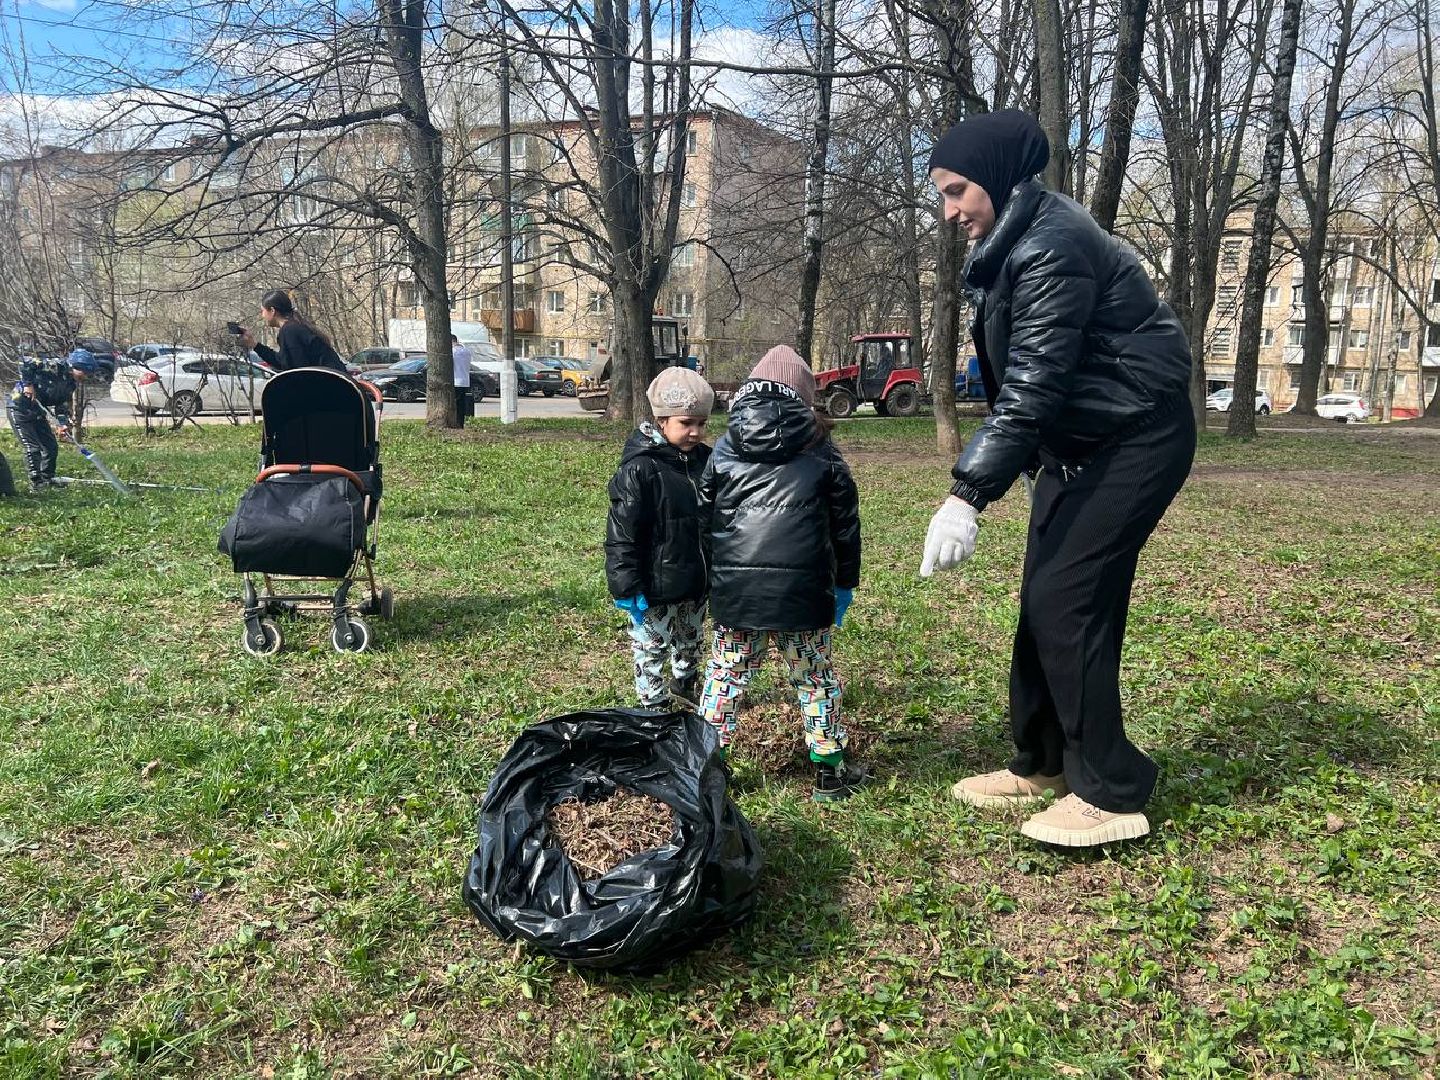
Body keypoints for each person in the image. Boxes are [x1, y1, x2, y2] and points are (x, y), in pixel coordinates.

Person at [920, 110, 1195, 847]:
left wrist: (966, 494)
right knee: (1045, 596)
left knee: (1068, 599)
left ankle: (1110, 791)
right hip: (1083, 443)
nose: (949, 213)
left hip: (1137, 437)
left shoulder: (1052, 243)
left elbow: (1034, 388)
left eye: (955, 192)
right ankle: (1043, 764)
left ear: (997, 178)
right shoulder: (1016, 236)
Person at [695, 346, 864, 802]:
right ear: (804, 394)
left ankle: (709, 770)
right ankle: (829, 769)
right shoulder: (820, 446)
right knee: (814, 677)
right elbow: (846, 525)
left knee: (725, 675)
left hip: (738, 594)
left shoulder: (727, 444)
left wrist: (717, 577)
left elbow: (704, 518)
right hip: (804, 593)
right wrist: (845, 582)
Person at [606, 367, 716, 710]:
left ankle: (685, 683)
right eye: (686, 423)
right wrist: (626, 586)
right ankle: (653, 708)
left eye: (701, 423)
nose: (695, 432)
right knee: (651, 647)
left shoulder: (708, 462)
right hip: (655, 586)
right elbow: (623, 532)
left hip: (696, 580)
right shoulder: (640, 469)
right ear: (661, 420)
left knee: (691, 640)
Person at [7, 354, 88, 491]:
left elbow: (61, 405)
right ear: (75, 366)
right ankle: (36, 483)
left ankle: (47, 479)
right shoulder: (56, 366)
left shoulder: (70, 384)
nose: (85, 377)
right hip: (19, 408)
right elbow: (24, 362)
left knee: (50, 447)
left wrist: (62, 423)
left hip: (38, 412)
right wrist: (28, 385)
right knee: (32, 448)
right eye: (84, 372)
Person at [239, 289, 347, 373]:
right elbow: (282, 361)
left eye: (262, 311)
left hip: (331, 387)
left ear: (272, 311)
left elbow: (297, 371)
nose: (262, 315)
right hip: (334, 383)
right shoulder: (294, 327)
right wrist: (254, 344)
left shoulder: (289, 331)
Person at [452, 334, 473, 428]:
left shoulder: (453, 352)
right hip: (465, 380)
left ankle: (456, 423)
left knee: (455, 405)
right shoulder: (467, 351)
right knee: (462, 405)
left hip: (455, 381)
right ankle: (461, 424)